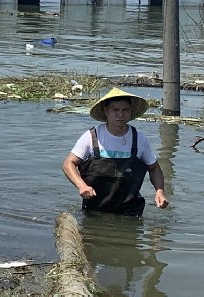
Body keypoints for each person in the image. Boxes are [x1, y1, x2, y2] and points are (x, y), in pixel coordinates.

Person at [62, 88, 169, 216]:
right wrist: (81, 186)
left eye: (125, 110)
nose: (120, 114)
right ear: (106, 111)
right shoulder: (92, 136)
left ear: (130, 112)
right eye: (115, 110)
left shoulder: (139, 138)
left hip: (131, 211)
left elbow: (154, 168)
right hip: (94, 210)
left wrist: (159, 192)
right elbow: (69, 164)